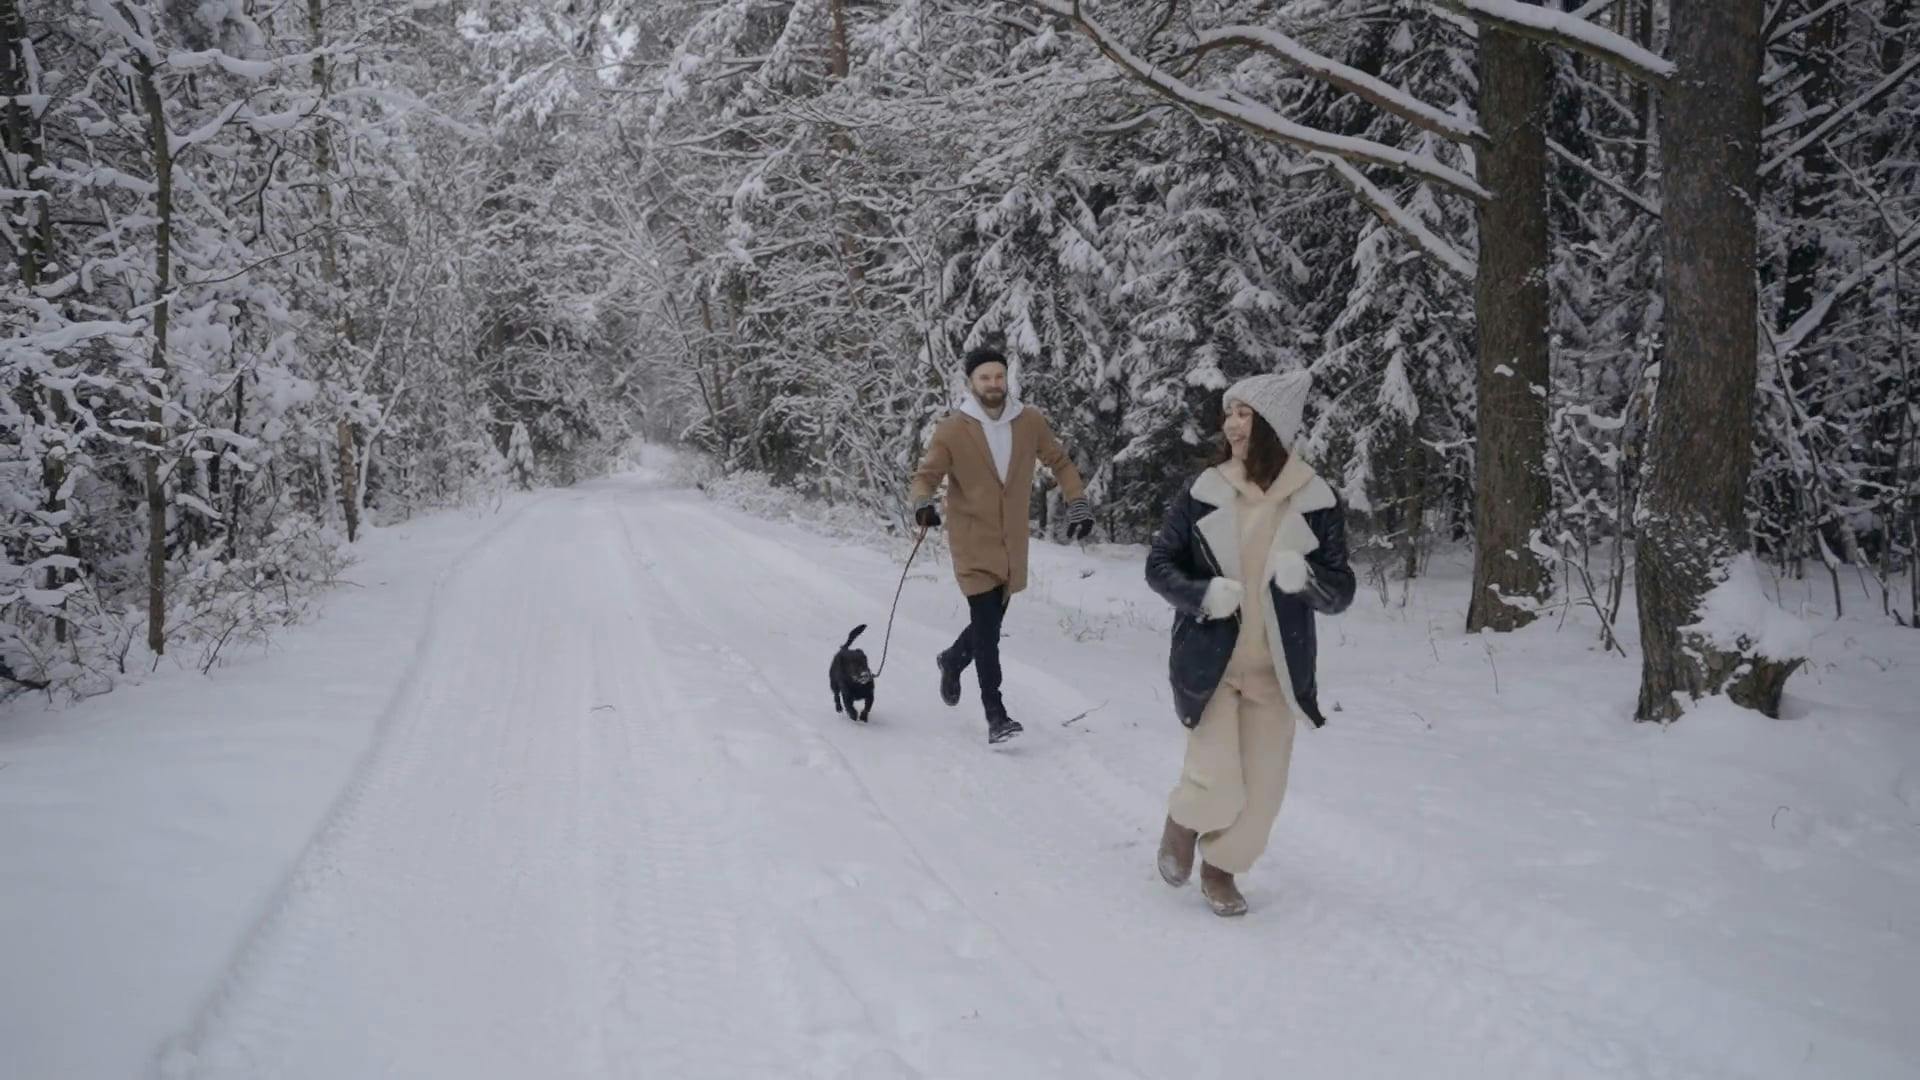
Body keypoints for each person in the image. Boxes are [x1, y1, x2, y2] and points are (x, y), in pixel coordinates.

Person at [1144, 371, 1355, 916]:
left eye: (1244, 414)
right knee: (1216, 784)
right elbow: (1159, 565)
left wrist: (1307, 581)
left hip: (1277, 673)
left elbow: (1341, 591)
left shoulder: (1316, 499)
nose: (1231, 425)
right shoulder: (1205, 491)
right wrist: (1202, 595)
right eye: (1229, 414)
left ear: (1272, 425)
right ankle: (1184, 820)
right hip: (1210, 666)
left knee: (1262, 797)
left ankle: (1221, 868)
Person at [910, 346, 1095, 745]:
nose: (993, 384)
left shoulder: (1029, 421)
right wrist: (923, 504)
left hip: (1012, 542)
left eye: (998, 376)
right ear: (971, 382)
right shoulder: (953, 429)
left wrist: (1077, 501)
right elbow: (926, 476)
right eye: (985, 378)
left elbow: (1060, 462)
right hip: (972, 540)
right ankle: (996, 714)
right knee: (988, 629)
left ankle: (952, 659)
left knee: (989, 624)